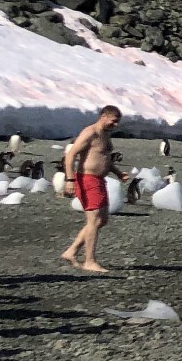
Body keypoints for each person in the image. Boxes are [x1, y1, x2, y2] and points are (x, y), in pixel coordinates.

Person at [60, 105, 122, 273]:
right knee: (94, 221)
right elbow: (70, 155)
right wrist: (70, 179)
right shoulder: (90, 133)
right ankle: (90, 260)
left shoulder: (106, 135)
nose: (115, 125)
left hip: (99, 180)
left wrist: (117, 173)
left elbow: (104, 158)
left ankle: (71, 251)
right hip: (86, 179)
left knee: (102, 220)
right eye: (113, 121)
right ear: (103, 116)